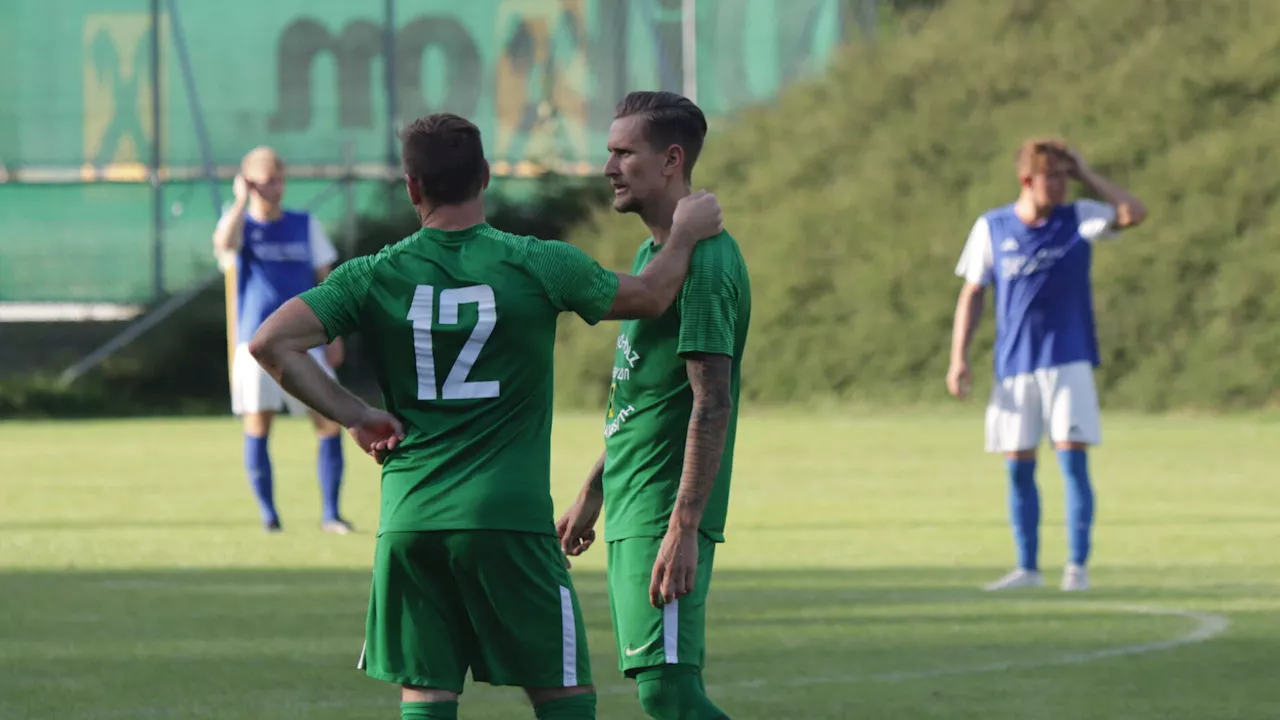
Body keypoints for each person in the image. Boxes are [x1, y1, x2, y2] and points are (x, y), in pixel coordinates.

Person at [246, 112, 725, 720]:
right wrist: (683, 235)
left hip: (411, 518)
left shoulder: (376, 273)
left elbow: (269, 343)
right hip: (508, 521)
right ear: (487, 178)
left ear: (412, 187)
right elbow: (652, 296)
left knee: (427, 692)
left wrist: (356, 413)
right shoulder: (537, 263)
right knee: (563, 695)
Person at [557, 91, 751, 720]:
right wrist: (596, 487)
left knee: (669, 692)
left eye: (623, 153)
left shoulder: (706, 262)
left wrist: (683, 528)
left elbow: (711, 403)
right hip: (634, 503)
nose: (609, 166)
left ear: (671, 159)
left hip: (663, 511)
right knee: (657, 688)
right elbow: (642, 396)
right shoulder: (656, 259)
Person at [946, 138, 1148, 592]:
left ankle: (1077, 568)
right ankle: (1027, 569)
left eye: (1063, 175)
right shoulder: (992, 227)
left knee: (1072, 465)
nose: (1059, 185)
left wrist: (1087, 175)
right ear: (1026, 180)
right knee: (1018, 467)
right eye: (1051, 176)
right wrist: (959, 357)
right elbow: (973, 293)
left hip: (1068, 362)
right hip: (1015, 366)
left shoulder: (1079, 219)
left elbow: (1134, 212)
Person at [211, 146, 352, 534]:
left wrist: (333, 331)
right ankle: (269, 517)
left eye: (279, 179)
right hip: (255, 345)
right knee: (258, 425)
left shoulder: (305, 224)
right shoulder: (240, 226)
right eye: (267, 179)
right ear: (250, 181)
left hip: (305, 343)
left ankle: (331, 514)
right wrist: (241, 201)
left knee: (329, 421)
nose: (275, 187)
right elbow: (223, 245)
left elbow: (327, 279)